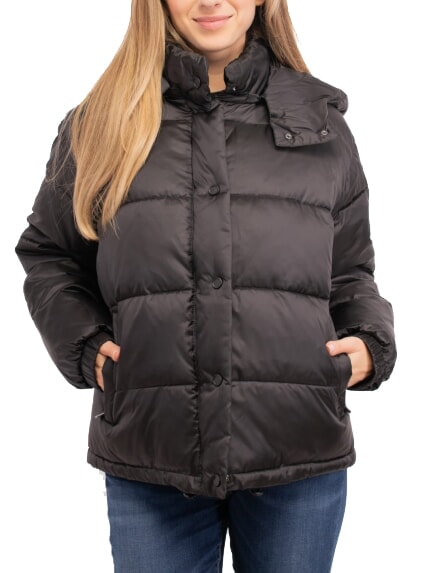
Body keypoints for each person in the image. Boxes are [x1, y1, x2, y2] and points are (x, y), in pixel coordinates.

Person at [15, 0, 397, 571]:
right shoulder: (100, 125)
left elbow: (349, 272)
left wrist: (369, 341)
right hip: (152, 450)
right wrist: (85, 345)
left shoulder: (319, 122)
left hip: (298, 447)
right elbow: (50, 254)